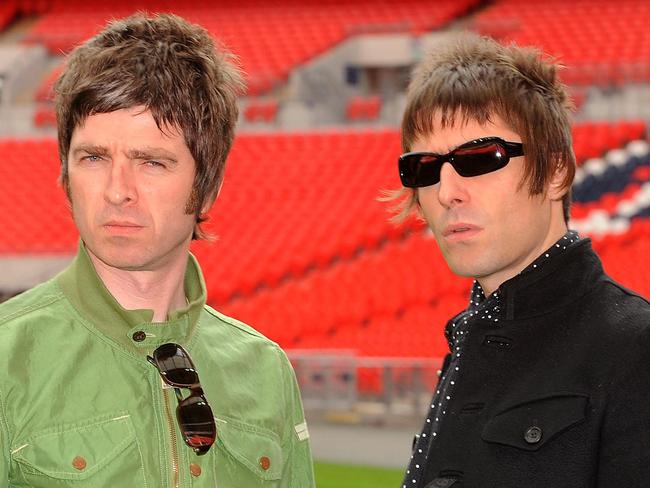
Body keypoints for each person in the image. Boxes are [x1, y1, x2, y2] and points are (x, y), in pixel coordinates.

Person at [0, 13, 315, 487]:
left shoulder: (264, 370)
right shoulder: (7, 356)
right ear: (65, 175)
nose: (117, 190)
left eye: (151, 162)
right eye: (94, 157)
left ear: (206, 188)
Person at [391, 33, 650, 487]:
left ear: (555, 172)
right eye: (425, 168)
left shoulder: (635, 347)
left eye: (479, 158)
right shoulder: (469, 339)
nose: (447, 192)